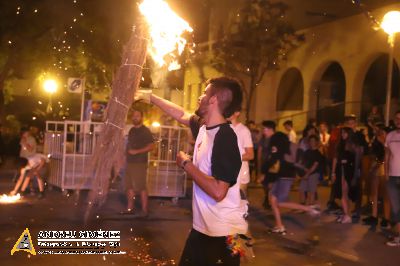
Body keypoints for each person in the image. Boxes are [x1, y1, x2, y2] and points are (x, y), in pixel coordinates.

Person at [140, 77, 248, 264]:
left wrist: (186, 164)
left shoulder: (226, 138)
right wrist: (151, 98)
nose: (200, 97)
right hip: (205, 230)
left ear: (213, 100)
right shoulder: (205, 127)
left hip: (225, 235)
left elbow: (218, 191)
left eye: (204, 92)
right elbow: (181, 113)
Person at [262, 132, 320, 235]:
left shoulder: (276, 146)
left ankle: (309, 208)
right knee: (273, 201)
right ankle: (279, 226)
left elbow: (273, 161)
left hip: (282, 177)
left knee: (279, 202)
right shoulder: (289, 145)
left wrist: (265, 174)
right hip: (287, 176)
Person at [122, 110, 154, 217]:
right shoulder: (131, 130)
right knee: (128, 186)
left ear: (141, 117)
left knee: (141, 187)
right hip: (129, 162)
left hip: (140, 163)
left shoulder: (145, 131)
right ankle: (130, 208)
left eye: (137, 116)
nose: (135, 118)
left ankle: (145, 210)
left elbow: (151, 146)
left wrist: (137, 151)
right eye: (134, 116)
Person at [362, 123, 391, 229]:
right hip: (376, 167)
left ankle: (386, 218)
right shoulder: (376, 140)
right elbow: (374, 153)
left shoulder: (388, 141)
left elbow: (389, 153)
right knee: (374, 193)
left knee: (385, 195)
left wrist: (383, 141)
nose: (380, 134)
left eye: (383, 132)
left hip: (384, 168)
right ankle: (374, 216)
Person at [332, 127, 360, 224]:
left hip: (349, 171)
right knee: (343, 194)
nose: (343, 134)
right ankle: (346, 214)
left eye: (345, 133)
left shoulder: (353, 146)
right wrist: (333, 172)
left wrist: (355, 175)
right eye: (342, 133)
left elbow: (357, 162)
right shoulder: (340, 145)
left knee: (346, 193)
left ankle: (347, 214)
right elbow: (335, 158)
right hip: (341, 170)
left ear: (349, 134)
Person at [228, 111, 254, 195]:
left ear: (237, 113)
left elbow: (250, 155)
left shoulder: (244, 130)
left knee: (240, 202)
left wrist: (230, 157)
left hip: (241, 173)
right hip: (225, 173)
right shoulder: (223, 128)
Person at [385, 111, 400, 247]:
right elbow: (387, 155)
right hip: (392, 176)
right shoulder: (390, 135)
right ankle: (397, 236)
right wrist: (385, 173)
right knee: (395, 208)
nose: (398, 121)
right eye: (396, 118)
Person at [298, 135, 324, 205]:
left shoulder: (318, 153)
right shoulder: (307, 151)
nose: (312, 142)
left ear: (316, 142)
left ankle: (311, 206)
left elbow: (315, 165)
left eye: (313, 141)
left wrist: (307, 173)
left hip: (314, 174)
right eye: (310, 141)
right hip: (306, 172)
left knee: (312, 191)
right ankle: (302, 206)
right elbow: (302, 162)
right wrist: (303, 169)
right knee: (302, 189)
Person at [257, 120, 276, 209]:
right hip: (265, 164)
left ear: (270, 129)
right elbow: (259, 151)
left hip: (273, 165)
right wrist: (259, 164)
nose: (262, 130)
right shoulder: (263, 138)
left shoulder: (276, 138)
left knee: (271, 184)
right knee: (265, 184)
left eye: (264, 128)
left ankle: (272, 201)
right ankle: (267, 198)